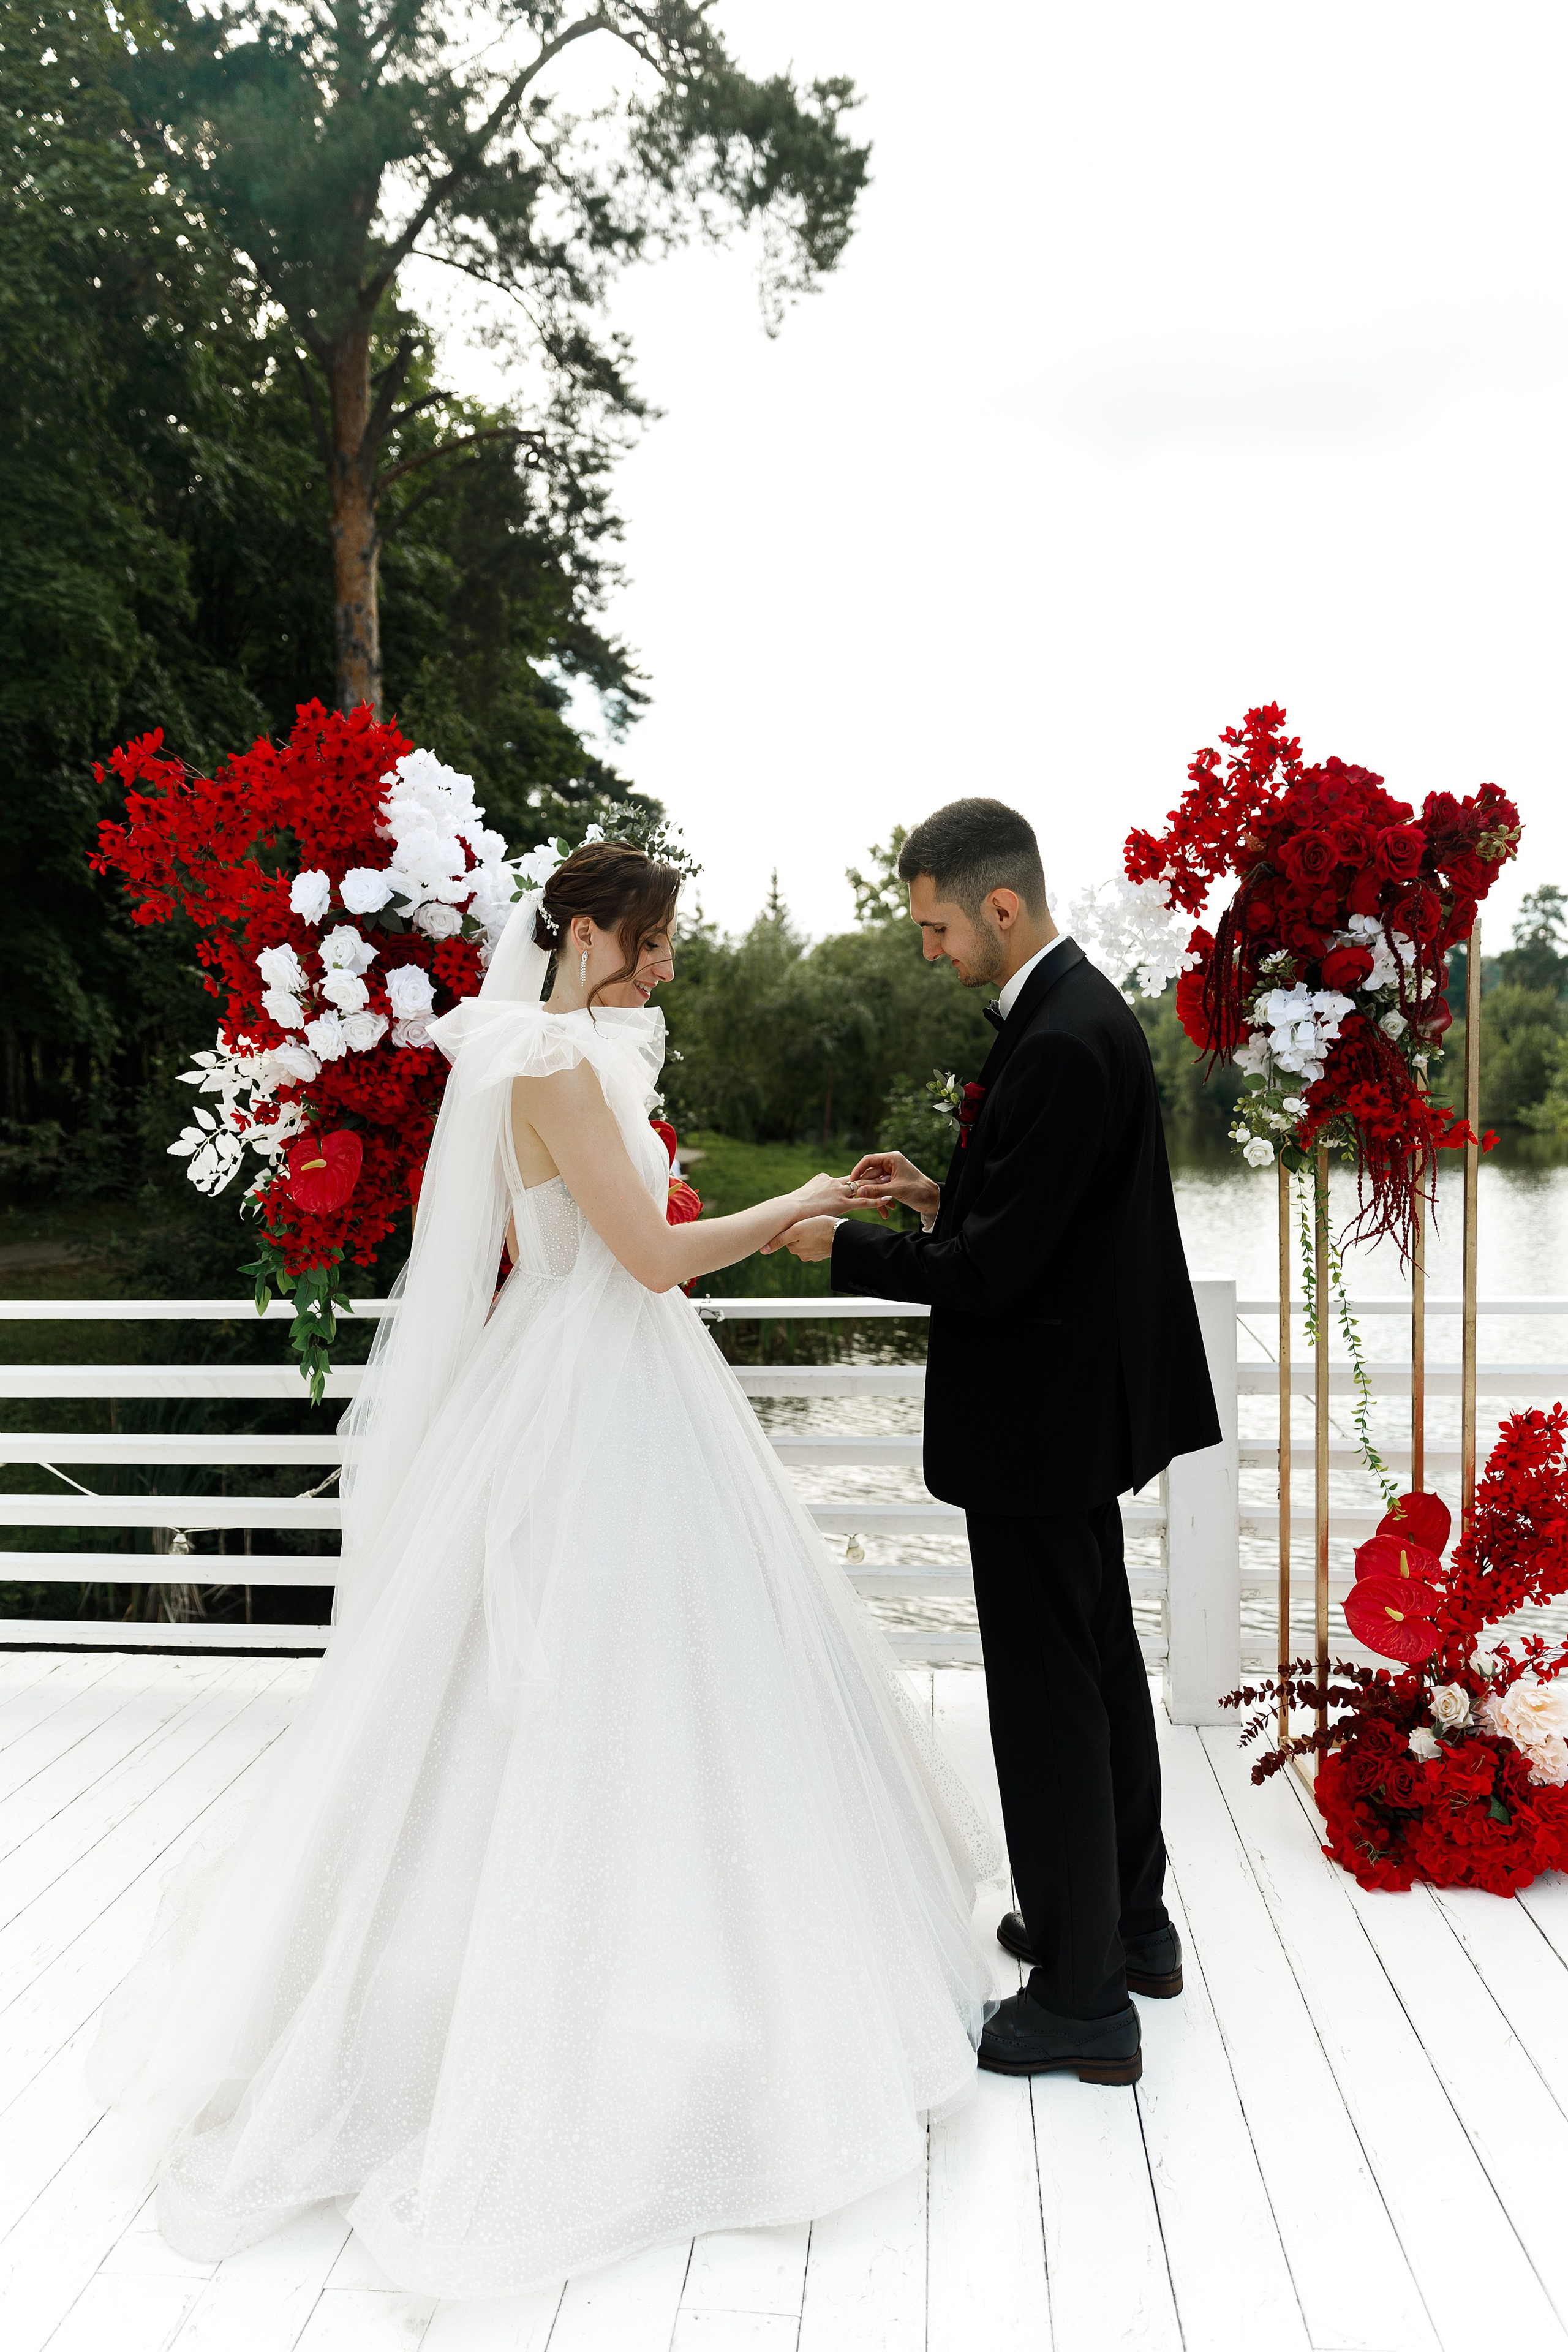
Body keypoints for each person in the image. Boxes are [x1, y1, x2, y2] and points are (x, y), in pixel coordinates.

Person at [88, 838, 1000, 2300]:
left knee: (671, 1682)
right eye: (648, 939)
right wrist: (811, 1199)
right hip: (598, 1380)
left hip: (609, 1380)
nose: (664, 963)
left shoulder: (564, 1057)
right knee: (582, 1685)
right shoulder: (551, 1070)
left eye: (670, 942)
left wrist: (799, 1211)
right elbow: (645, 1258)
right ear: (580, 933)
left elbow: (628, 1237)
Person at [766, 797, 1220, 2088]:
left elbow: (993, 1275)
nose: (927, 950)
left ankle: (1079, 2002)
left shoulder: (1064, 1042)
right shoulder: (1070, 1018)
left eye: (934, 927)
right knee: (1094, 1672)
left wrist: (844, 1246)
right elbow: (1032, 1216)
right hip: (1070, 1414)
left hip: (1039, 1422)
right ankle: (1122, 1927)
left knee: (1047, 1706)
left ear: (998, 908)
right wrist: (931, 1190)